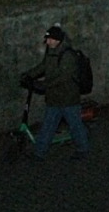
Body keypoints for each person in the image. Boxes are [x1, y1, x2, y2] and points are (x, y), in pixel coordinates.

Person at [19, 24, 90, 161]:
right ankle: (39, 152)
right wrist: (28, 75)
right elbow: (44, 66)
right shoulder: (51, 51)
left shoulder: (67, 55)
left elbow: (63, 77)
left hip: (68, 98)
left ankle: (83, 149)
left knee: (75, 125)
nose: (47, 42)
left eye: (50, 39)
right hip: (54, 98)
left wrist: (43, 86)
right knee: (48, 126)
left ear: (57, 40)